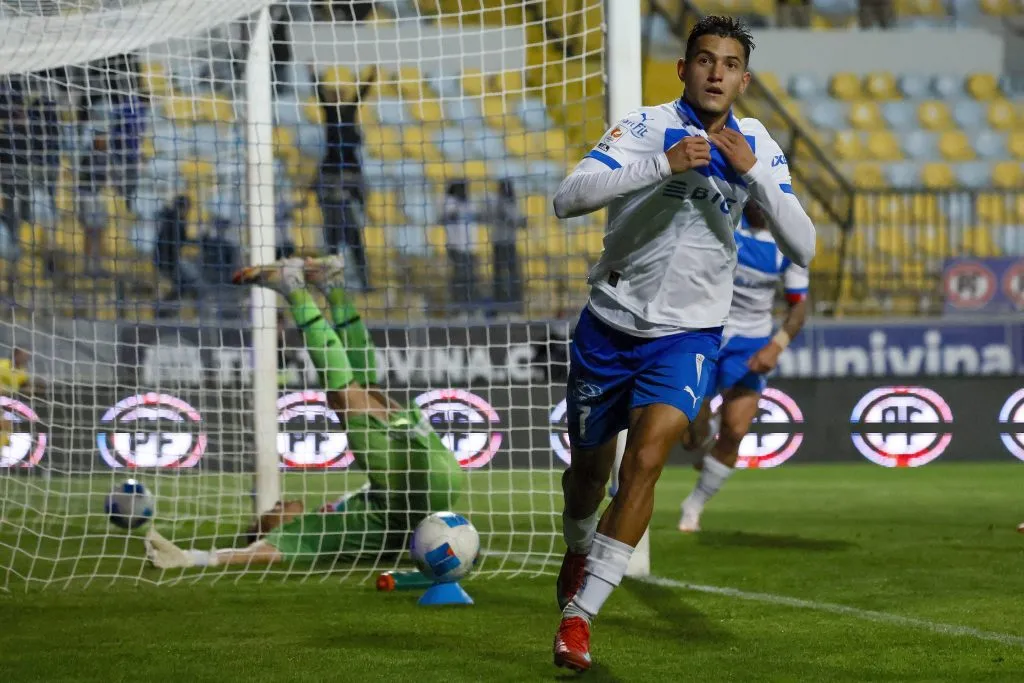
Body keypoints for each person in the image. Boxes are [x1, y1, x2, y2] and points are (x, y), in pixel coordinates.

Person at [548, 16, 816, 671]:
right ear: (684, 69)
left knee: (645, 461)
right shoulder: (646, 127)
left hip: (689, 334)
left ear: (743, 80)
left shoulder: (757, 143)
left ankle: (580, 617)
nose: (717, 73)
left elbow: (805, 245)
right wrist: (660, 164)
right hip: (609, 324)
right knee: (588, 478)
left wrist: (754, 175)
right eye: (705, 60)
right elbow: (568, 198)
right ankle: (578, 546)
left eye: (730, 64)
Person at [144, 256, 465, 569]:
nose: (276, 505)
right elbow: (260, 553)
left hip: (422, 483)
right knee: (344, 397)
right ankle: (295, 288)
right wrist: (194, 558)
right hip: (417, 494)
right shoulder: (305, 535)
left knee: (364, 389)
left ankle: (332, 285)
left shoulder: (331, 521)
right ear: (274, 531)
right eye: (269, 516)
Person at [678, 201, 809, 532]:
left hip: (751, 342)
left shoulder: (789, 244)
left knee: (736, 431)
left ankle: (694, 505)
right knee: (692, 437)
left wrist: (776, 346)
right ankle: (703, 431)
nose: (761, 205)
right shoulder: (725, 224)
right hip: (707, 332)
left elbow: (798, 308)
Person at [317, 66, 377, 291]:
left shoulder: (349, 112)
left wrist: (370, 78)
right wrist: (314, 76)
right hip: (334, 180)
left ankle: (364, 282)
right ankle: (331, 283)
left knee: (353, 242)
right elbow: (321, 97)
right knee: (333, 242)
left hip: (347, 183)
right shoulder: (331, 115)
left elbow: (360, 96)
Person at [483, 178, 526, 315]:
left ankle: (515, 307)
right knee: (499, 276)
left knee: (512, 275)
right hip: (499, 243)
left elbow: (520, 221)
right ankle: (499, 307)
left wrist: (520, 221)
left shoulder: (513, 203)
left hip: (510, 243)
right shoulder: (496, 202)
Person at [441, 179, 480, 313]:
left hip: (471, 247)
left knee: (471, 279)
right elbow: (449, 215)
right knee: (459, 278)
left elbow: (477, 215)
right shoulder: (450, 201)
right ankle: (458, 308)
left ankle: (470, 308)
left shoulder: (469, 203)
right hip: (456, 246)